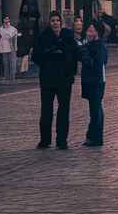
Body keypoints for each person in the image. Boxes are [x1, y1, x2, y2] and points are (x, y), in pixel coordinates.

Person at [32, 12, 79, 150]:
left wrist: (70, 68)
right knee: (46, 110)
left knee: (64, 109)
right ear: (50, 22)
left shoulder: (68, 36)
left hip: (64, 78)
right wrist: (48, 63)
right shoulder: (43, 37)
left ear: (61, 22)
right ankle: (45, 139)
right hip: (48, 78)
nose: (55, 23)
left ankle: (62, 140)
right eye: (52, 20)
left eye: (57, 20)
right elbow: (36, 56)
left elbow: (74, 53)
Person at [78, 25, 107, 147]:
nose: (88, 33)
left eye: (91, 30)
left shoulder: (100, 46)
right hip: (89, 80)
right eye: (88, 30)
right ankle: (92, 135)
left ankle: (96, 137)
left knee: (96, 108)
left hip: (97, 80)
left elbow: (99, 61)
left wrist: (87, 58)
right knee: (93, 108)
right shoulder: (86, 46)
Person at [0, 16, 19, 82]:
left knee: (12, 62)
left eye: (8, 21)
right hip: (4, 48)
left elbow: (15, 37)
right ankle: (6, 76)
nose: (6, 23)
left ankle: (12, 77)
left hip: (11, 47)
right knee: (5, 62)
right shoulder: (1, 29)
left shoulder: (13, 29)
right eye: (5, 22)